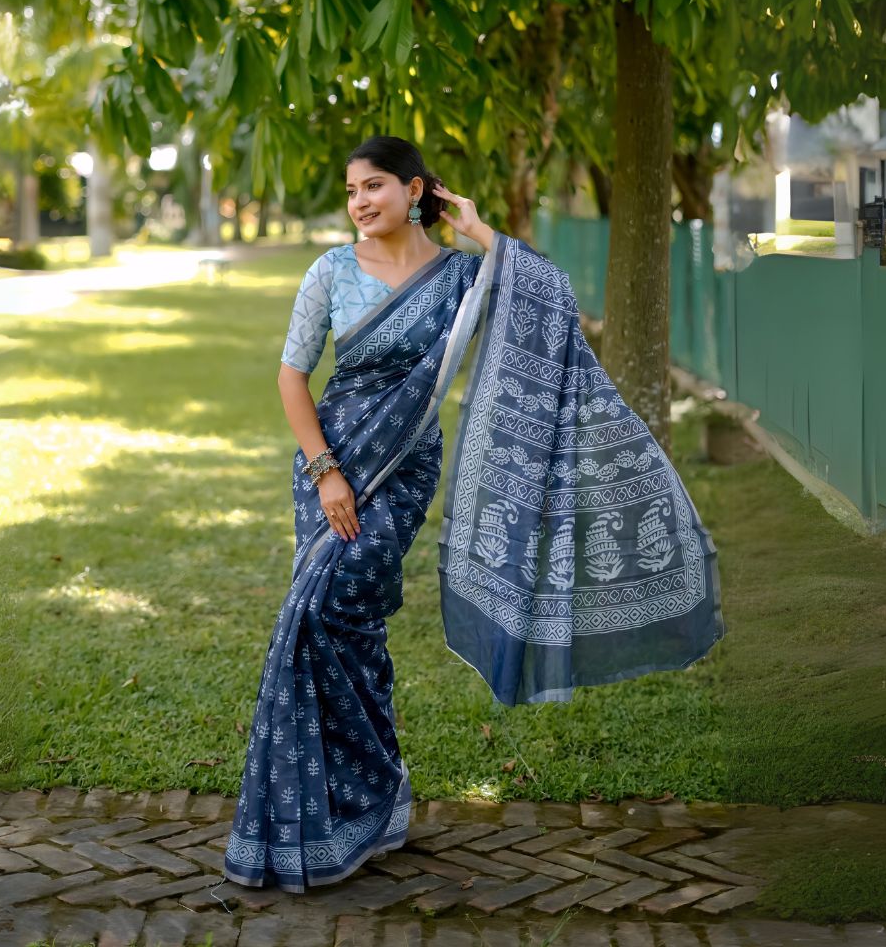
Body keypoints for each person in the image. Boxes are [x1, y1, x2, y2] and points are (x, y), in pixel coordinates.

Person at [222, 135, 725, 895]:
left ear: (415, 189)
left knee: (335, 604)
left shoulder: (460, 276)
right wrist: (326, 473)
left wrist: (481, 230)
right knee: (336, 621)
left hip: (405, 465)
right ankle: (365, 797)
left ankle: (364, 793)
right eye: (351, 189)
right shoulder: (329, 272)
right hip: (333, 461)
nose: (359, 202)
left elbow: (548, 297)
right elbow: (292, 378)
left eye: (375, 186)